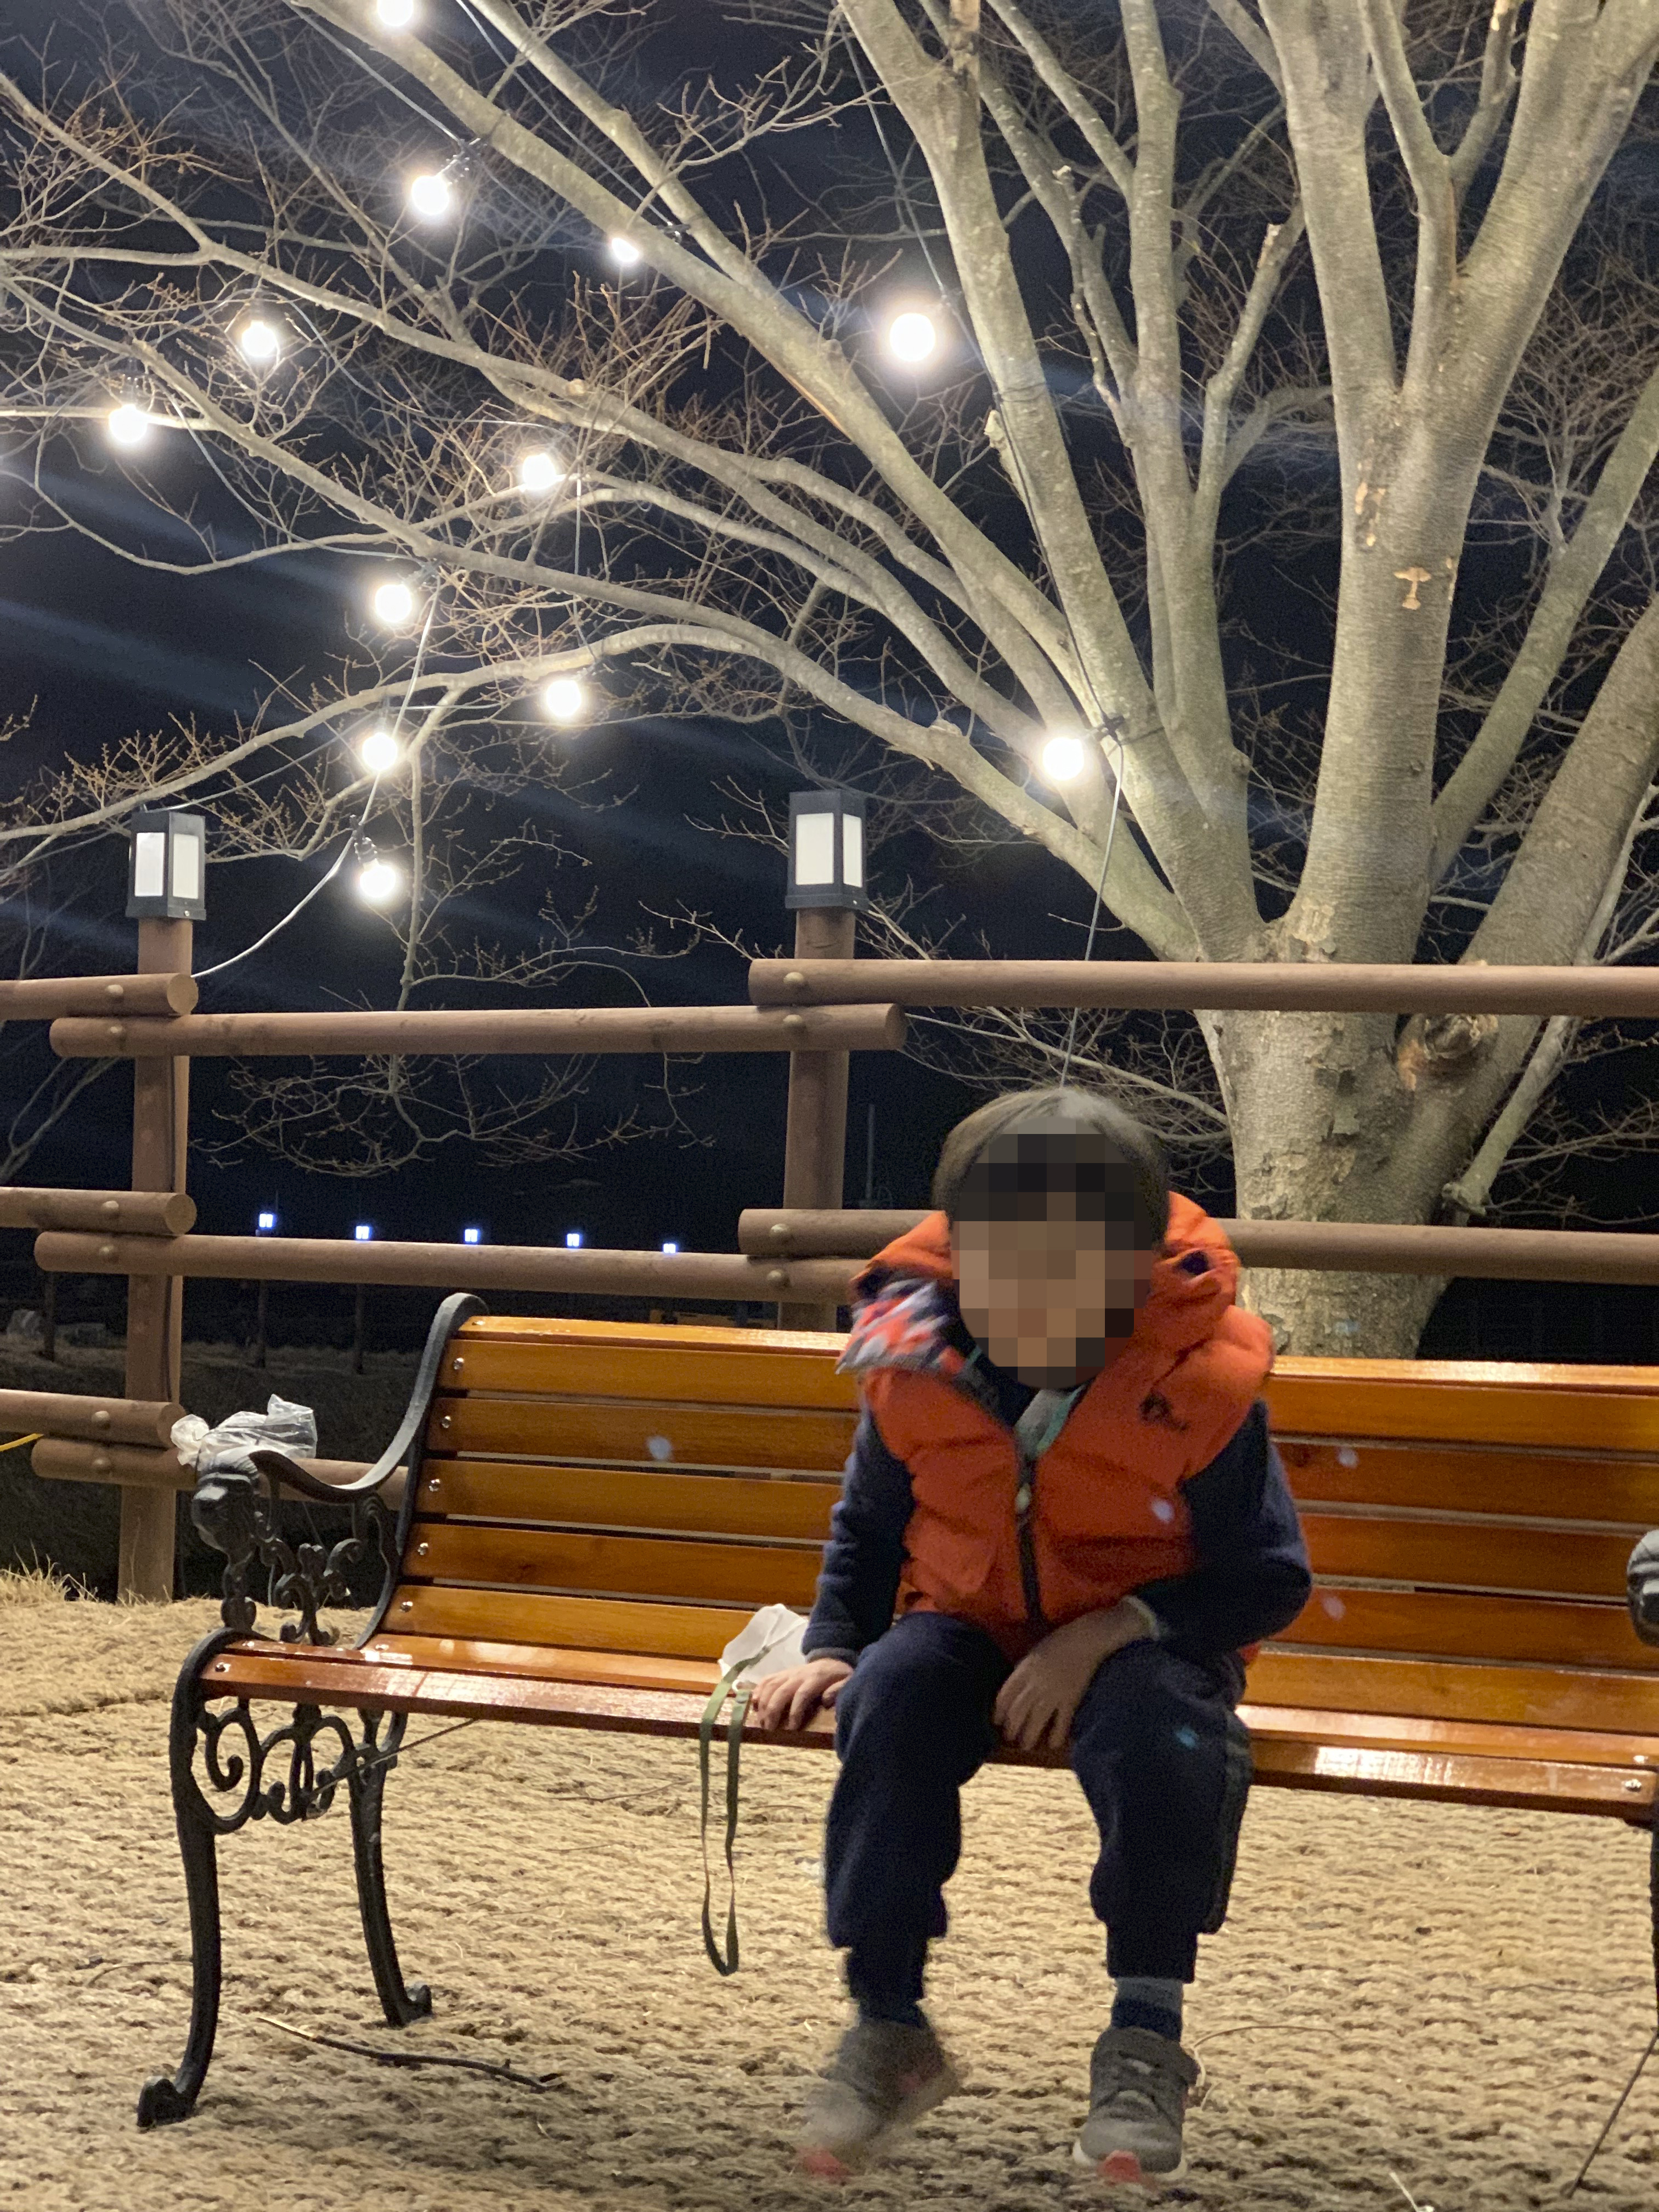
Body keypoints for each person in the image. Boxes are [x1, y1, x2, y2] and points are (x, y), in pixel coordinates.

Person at [751, 1088, 1311, 2187]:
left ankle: (1145, 2032)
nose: (1037, 1308)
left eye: (1075, 1282)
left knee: (1165, 1734)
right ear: (962, 1257)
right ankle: (889, 2022)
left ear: (1135, 1272)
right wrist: (834, 1645)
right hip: (967, 1618)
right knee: (890, 1698)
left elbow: (1268, 1577)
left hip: (1148, 1638)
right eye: (1006, 1275)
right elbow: (871, 1523)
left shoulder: (1201, 1388)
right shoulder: (911, 1359)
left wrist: (1106, 1632)